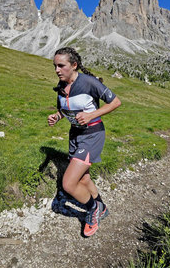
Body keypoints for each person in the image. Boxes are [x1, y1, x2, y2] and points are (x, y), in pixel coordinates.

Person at [47, 47, 121, 237]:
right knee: (84, 178)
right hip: (75, 136)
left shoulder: (89, 82)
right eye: (55, 66)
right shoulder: (61, 86)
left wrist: (92, 115)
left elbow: (115, 102)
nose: (57, 70)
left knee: (69, 184)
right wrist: (57, 116)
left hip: (92, 135)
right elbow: (66, 110)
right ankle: (101, 207)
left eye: (61, 66)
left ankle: (92, 209)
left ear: (74, 65)